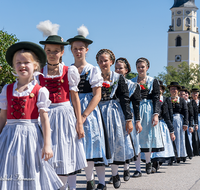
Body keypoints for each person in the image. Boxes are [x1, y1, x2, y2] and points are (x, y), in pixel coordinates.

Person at [0, 41, 63, 189]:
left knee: (30, 170)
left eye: (26, 62)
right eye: (18, 62)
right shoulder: (7, 90)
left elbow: (45, 120)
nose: (22, 65)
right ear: (14, 66)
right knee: (8, 168)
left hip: (31, 136)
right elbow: (3, 117)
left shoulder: (40, 90)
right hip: (9, 136)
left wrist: (47, 145)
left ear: (35, 65)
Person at [37, 21, 87, 190]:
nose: (52, 54)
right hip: (45, 116)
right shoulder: (39, 74)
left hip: (65, 114)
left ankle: (69, 188)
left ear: (62, 52)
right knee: (48, 153)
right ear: (45, 51)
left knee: (67, 152)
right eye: (49, 51)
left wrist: (79, 122)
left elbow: (75, 98)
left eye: (56, 51)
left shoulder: (69, 71)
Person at [67, 25, 107, 190]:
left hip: (88, 110)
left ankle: (93, 181)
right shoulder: (68, 69)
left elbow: (97, 95)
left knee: (91, 145)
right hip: (70, 107)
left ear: (87, 50)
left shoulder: (93, 69)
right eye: (75, 49)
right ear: (71, 50)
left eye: (81, 49)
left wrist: (83, 115)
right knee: (73, 146)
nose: (78, 51)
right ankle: (73, 184)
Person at [96, 49, 135, 189]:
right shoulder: (94, 76)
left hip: (113, 112)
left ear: (111, 62)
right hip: (98, 111)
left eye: (105, 60)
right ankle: (100, 181)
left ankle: (115, 173)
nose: (103, 63)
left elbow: (125, 99)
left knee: (114, 142)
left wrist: (128, 119)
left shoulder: (118, 78)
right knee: (99, 144)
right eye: (100, 61)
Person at [131, 58, 163, 177]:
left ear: (147, 68)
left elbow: (156, 98)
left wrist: (156, 114)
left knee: (148, 138)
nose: (140, 69)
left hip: (148, 110)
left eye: (143, 67)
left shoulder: (152, 81)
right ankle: (138, 169)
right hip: (136, 109)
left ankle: (148, 162)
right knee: (136, 140)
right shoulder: (132, 81)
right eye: (139, 67)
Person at [114, 57, 142, 181]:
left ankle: (126, 168)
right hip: (113, 115)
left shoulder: (132, 86)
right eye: (116, 68)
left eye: (120, 68)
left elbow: (136, 105)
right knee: (114, 143)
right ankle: (115, 173)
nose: (118, 70)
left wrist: (137, 121)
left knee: (127, 143)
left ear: (126, 70)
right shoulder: (111, 83)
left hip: (127, 116)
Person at [150, 80, 175, 171]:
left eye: (160, 88)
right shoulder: (150, 99)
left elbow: (168, 115)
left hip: (160, 123)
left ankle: (157, 163)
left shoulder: (165, 100)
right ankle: (153, 163)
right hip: (151, 124)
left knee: (161, 144)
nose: (158, 90)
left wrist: (171, 129)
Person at [167, 82, 188, 163]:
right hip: (169, 119)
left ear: (178, 91)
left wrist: (185, 123)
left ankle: (179, 155)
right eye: (171, 89)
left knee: (179, 138)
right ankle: (170, 156)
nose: (173, 90)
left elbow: (186, 111)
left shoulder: (182, 100)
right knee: (169, 138)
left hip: (179, 120)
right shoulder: (167, 100)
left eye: (175, 89)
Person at [179, 86, 194, 160]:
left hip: (186, 122)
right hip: (178, 122)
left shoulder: (188, 103)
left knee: (188, 138)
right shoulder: (177, 101)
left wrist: (191, 125)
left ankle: (189, 153)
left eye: (183, 94)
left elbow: (191, 115)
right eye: (180, 94)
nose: (182, 96)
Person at [191, 88, 200, 156]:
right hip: (193, 118)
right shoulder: (190, 102)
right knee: (194, 134)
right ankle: (195, 150)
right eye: (193, 93)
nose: (195, 94)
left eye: (196, 93)